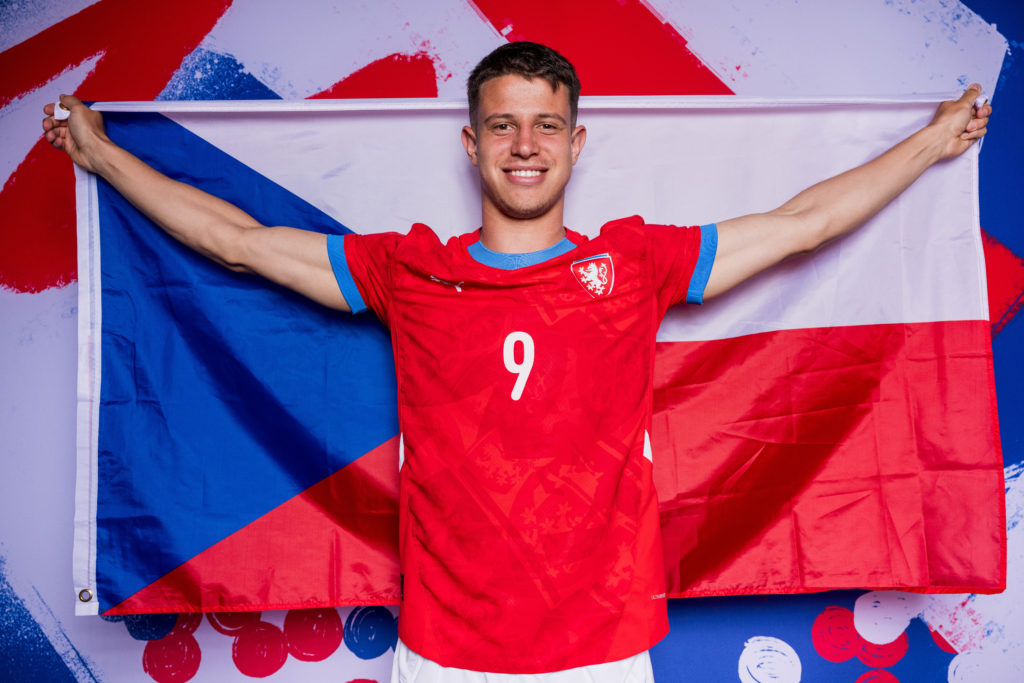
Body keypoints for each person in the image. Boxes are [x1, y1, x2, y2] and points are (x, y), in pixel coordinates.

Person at [44, 41, 990, 683]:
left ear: (576, 143)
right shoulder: (407, 267)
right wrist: (103, 156)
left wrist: (929, 145)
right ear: (472, 143)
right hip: (449, 648)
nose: (524, 146)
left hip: (605, 648)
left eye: (544, 126)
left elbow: (799, 227)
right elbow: (240, 243)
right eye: (503, 125)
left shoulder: (632, 262)